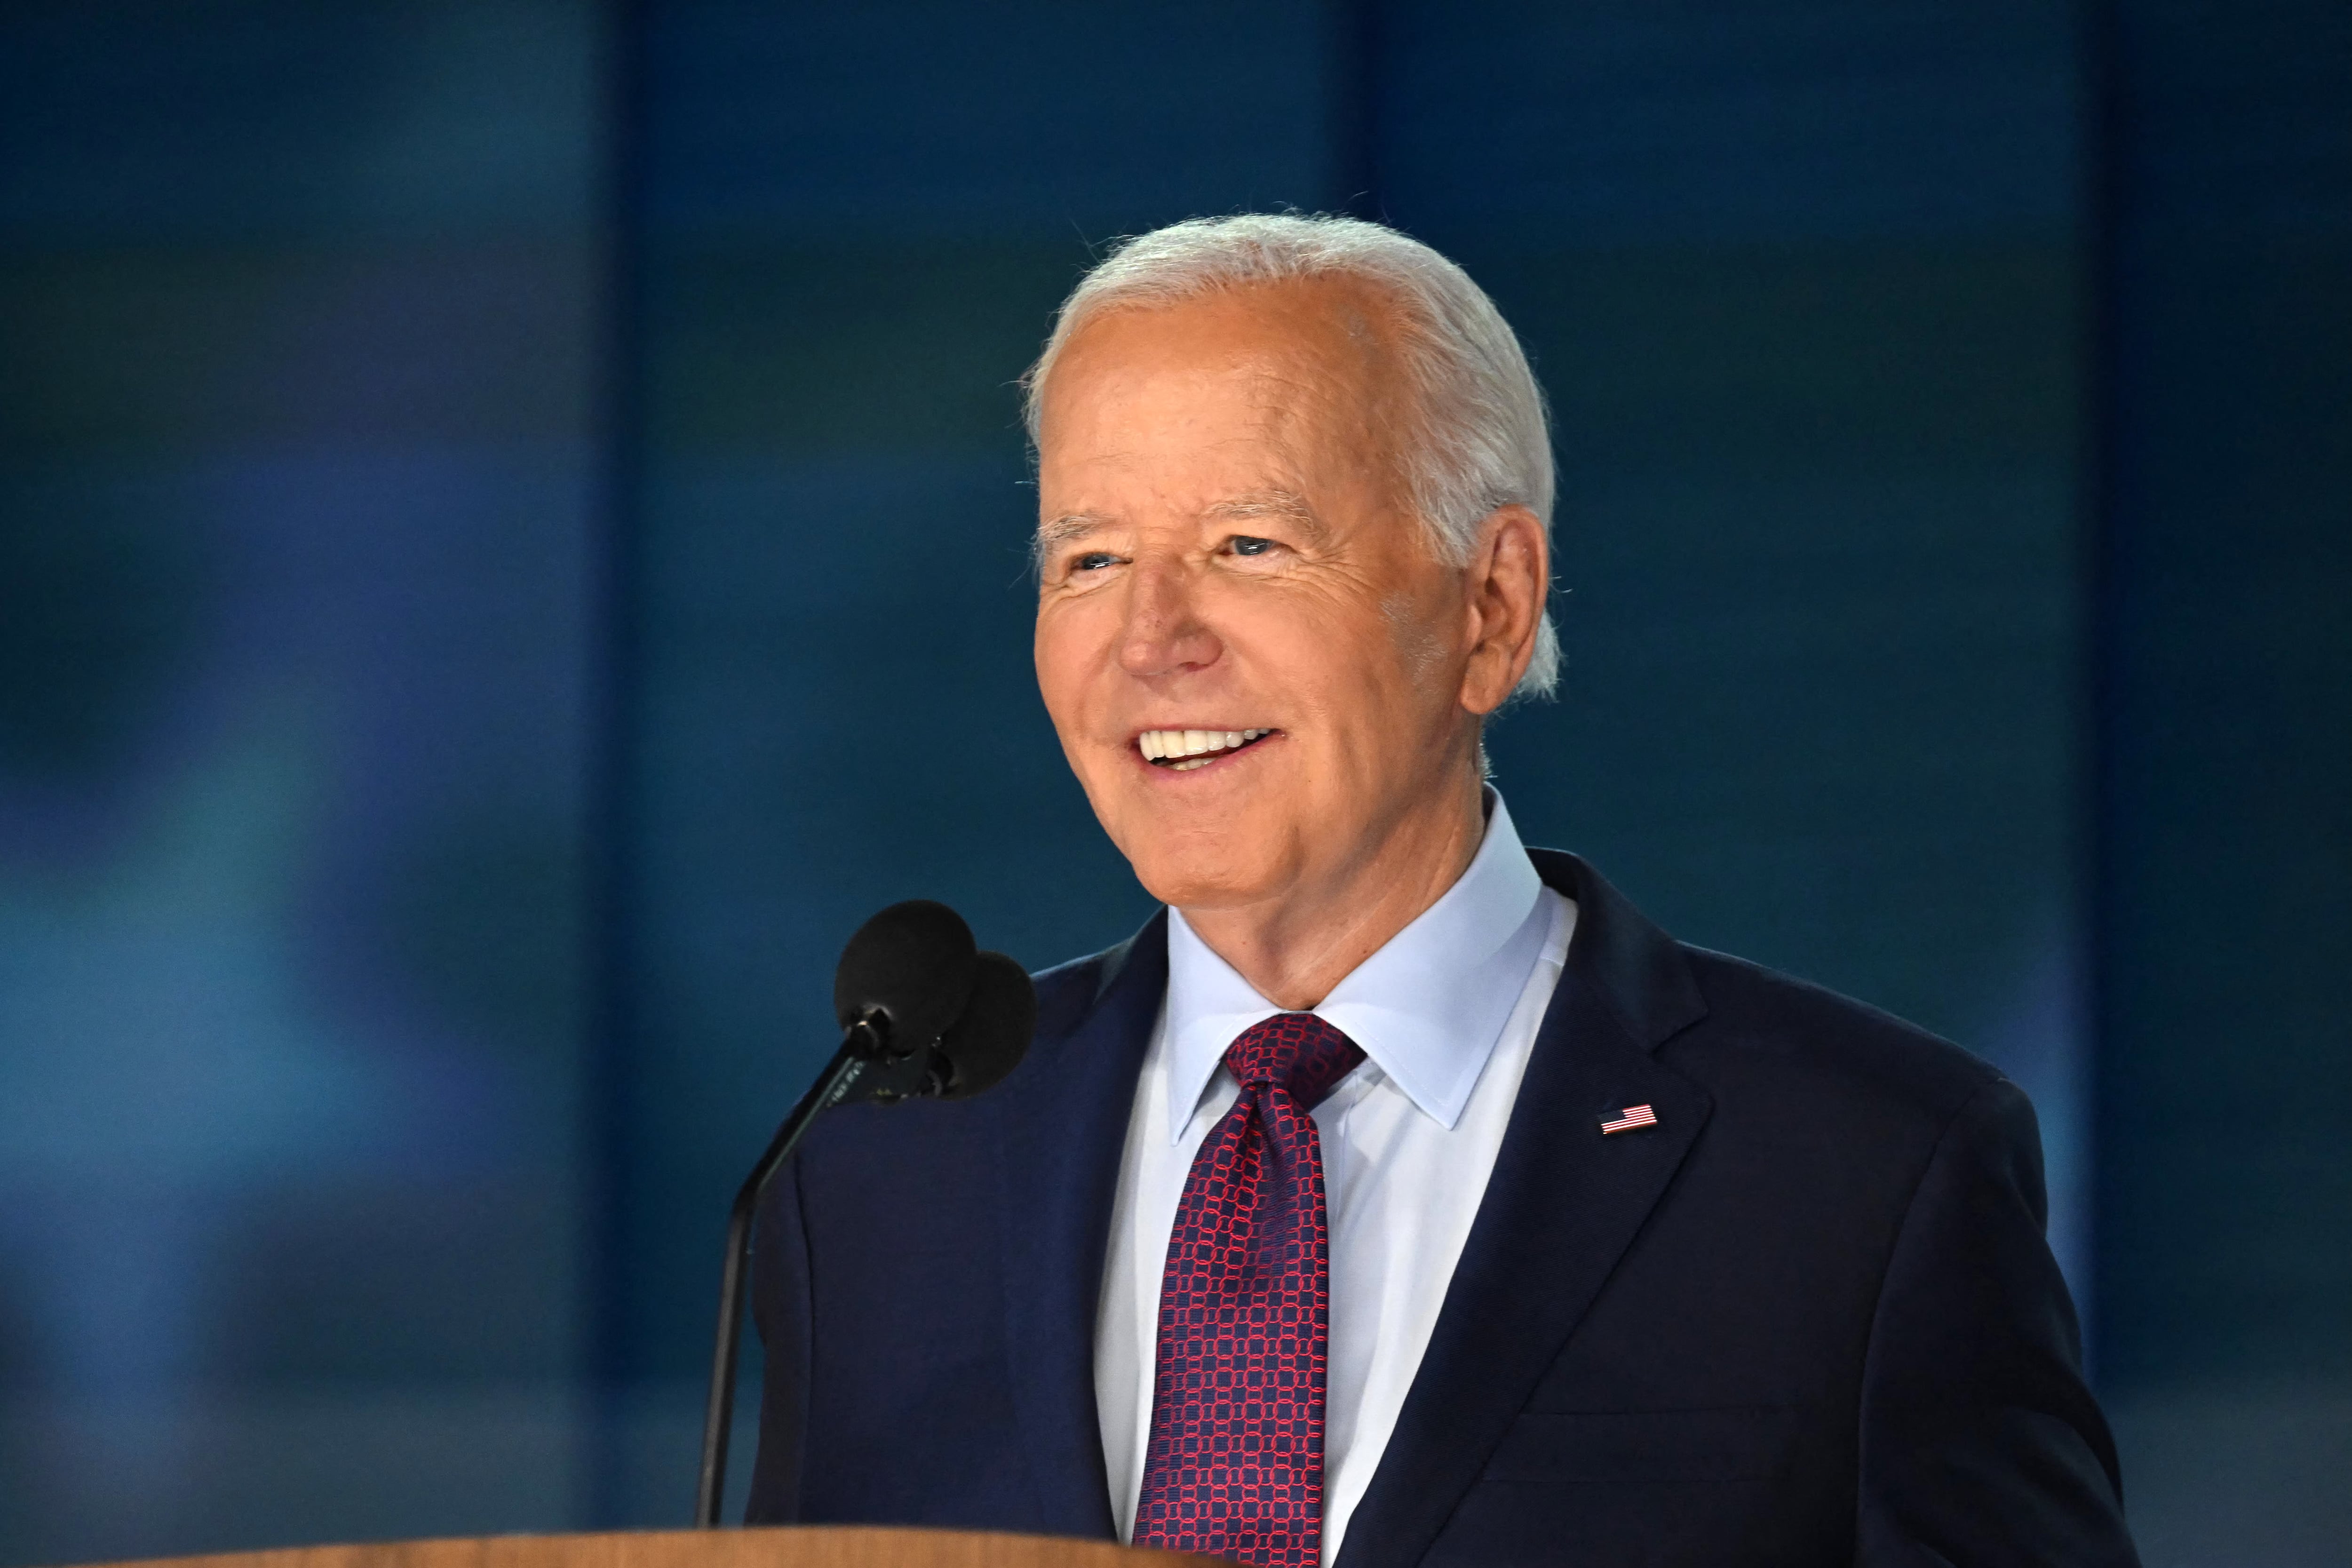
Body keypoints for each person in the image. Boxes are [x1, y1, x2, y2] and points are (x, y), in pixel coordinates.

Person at [745, 214, 2137, 1567]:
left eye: (1250, 545)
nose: (1152, 637)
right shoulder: (876, 1179)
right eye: (1090, 559)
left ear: (1492, 606)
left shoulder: (1869, 1177)